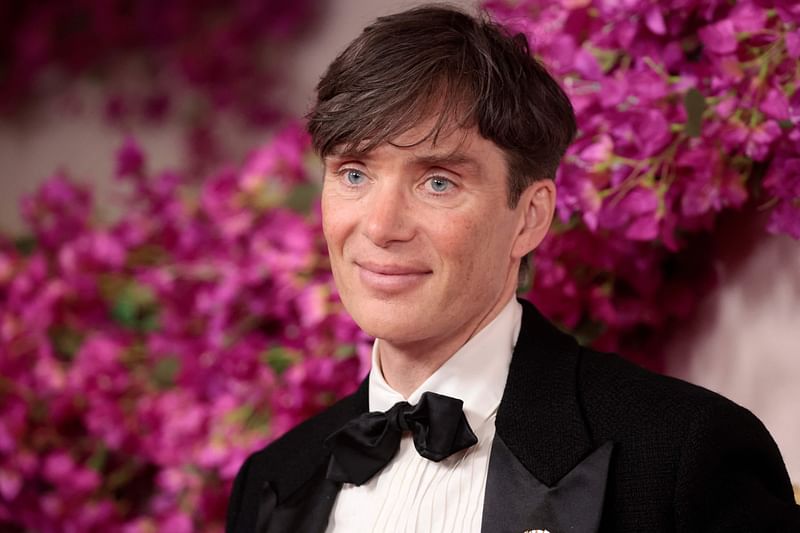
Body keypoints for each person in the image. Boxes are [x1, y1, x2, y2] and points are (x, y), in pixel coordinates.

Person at [226, 5, 800, 532]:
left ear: (529, 217)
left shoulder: (683, 453)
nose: (380, 227)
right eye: (354, 173)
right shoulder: (270, 480)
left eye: (438, 182)